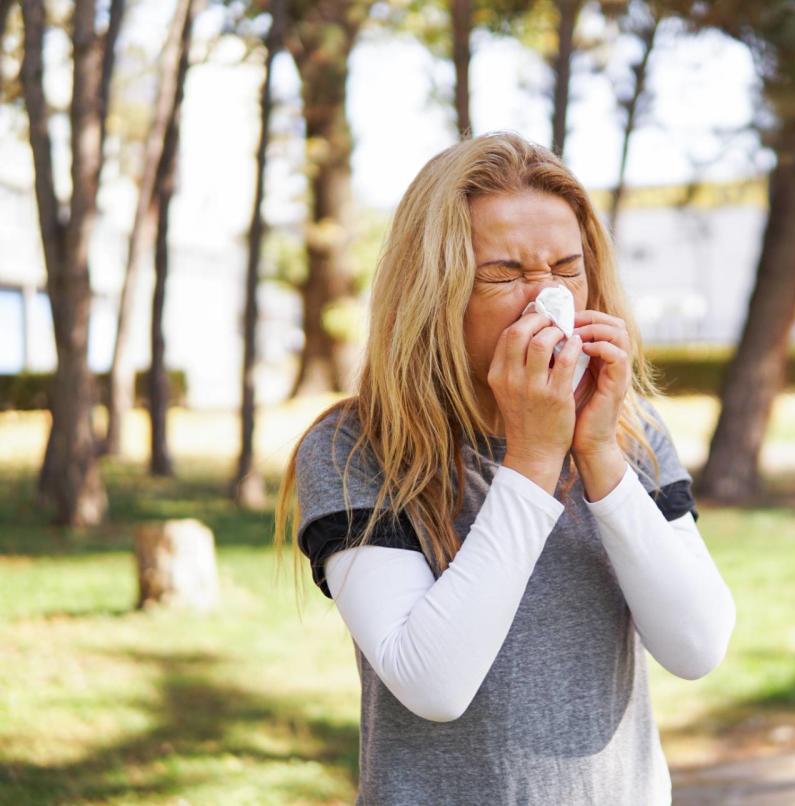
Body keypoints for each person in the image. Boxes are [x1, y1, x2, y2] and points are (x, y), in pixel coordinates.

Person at [272, 131, 736, 805]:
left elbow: (696, 646)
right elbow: (433, 684)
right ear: (435, 292)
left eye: (566, 269)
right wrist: (535, 458)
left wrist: (600, 455)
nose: (545, 299)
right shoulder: (356, 448)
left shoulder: (628, 430)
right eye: (505, 274)